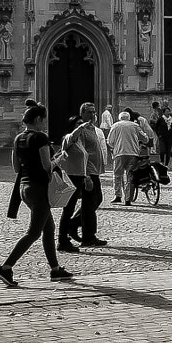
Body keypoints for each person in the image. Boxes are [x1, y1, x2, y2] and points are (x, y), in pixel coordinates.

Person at [0, 103, 70, 286]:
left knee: (49, 228)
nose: (45, 123)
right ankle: (6, 267)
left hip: (24, 188)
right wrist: (59, 158)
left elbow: (15, 168)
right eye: (44, 119)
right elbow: (47, 167)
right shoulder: (40, 138)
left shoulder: (18, 138)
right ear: (38, 119)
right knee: (34, 232)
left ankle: (55, 270)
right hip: (39, 189)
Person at [58, 103, 109, 249]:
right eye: (89, 112)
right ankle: (85, 234)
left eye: (94, 112)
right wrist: (86, 174)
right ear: (83, 113)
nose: (93, 115)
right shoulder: (80, 132)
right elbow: (78, 150)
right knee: (89, 203)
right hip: (85, 172)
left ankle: (76, 227)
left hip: (93, 170)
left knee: (94, 201)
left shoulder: (92, 128)